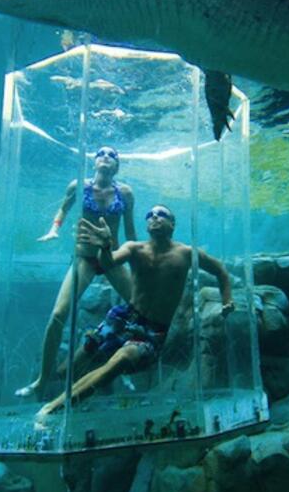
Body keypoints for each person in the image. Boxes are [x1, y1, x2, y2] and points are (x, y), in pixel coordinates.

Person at [35, 203, 235, 420]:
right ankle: (60, 400)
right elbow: (107, 264)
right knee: (69, 369)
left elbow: (221, 271)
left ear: (173, 223)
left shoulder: (187, 254)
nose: (154, 217)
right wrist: (105, 246)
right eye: (150, 214)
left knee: (122, 359)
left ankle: (52, 410)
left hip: (153, 331)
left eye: (161, 214)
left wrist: (227, 300)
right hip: (123, 317)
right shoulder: (134, 248)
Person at [15, 146, 137, 398]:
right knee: (58, 315)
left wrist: (138, 264)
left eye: (112, 155)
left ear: (117, 166)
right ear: (94, 161)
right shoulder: (77, 186)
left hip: (112, 259)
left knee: (139, 312)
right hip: (85, 259)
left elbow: (130, 231)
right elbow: (63, 209)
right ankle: (41, 380)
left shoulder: (125, 193)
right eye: (101, 153)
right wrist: (54, 229)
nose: (106, 156)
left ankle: (121, 368)